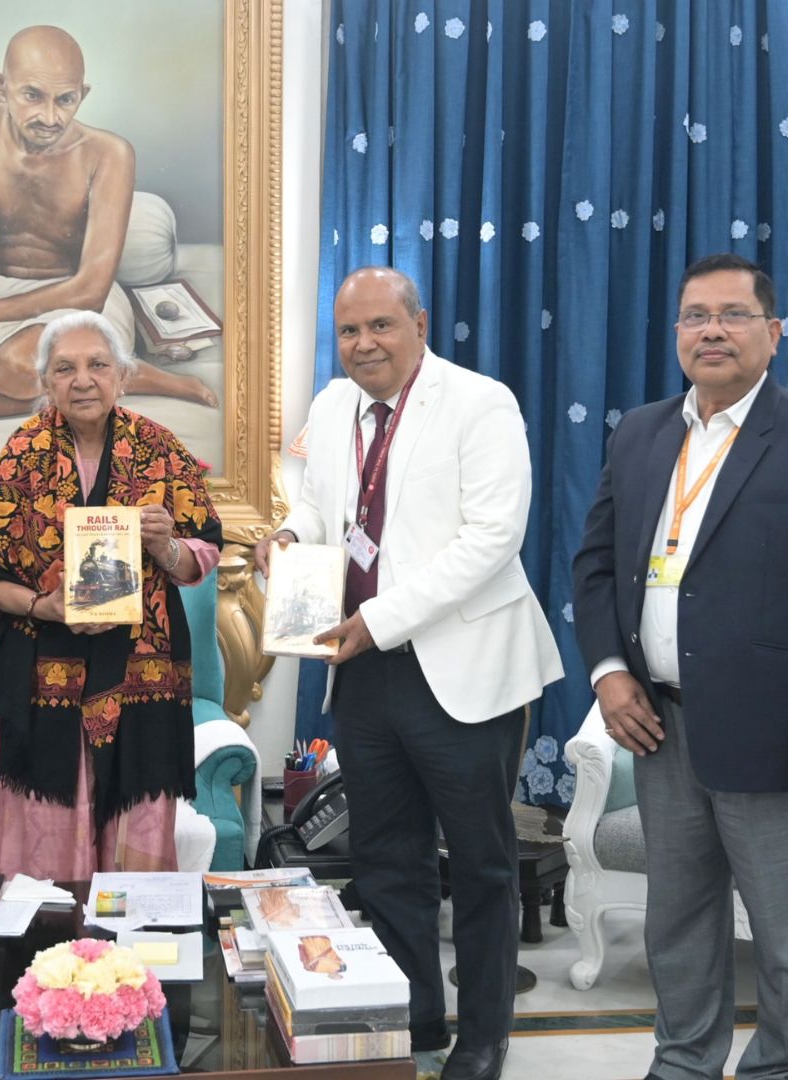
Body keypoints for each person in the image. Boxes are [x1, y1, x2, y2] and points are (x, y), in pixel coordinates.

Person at [573, 253, 788, 1080]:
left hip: (782, 741)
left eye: (733, 314)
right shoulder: (642, 432)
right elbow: (598, 565)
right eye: (694, 315)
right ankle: (682, 1060)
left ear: (773, 332)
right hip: (661, 726)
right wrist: (610, 672)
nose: (711, 329)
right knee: (676, 921)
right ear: (677, 332)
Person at [253, 266, 563, 1080]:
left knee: (481, 861)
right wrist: (289, 537)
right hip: (363, 675)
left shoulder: (480, 403)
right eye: (350, 331)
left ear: (420, 324)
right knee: (388, 858)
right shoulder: (329, 407)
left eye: (382, 326)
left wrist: (378, 620)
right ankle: (414, 1019)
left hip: (462, 669)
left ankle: (486, 1033)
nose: (364, 345)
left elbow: (492, 538)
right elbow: (323, 508)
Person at [0, 309, 223, 878]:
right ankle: (44, 962)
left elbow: (204, 554)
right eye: (65, 368)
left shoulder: (159, 449)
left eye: (98, 365)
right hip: (41, 677)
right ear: (45, 382)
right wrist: (38, 605)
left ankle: (130, 964)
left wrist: (167, 547)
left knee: (138, 838)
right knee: (44, 850)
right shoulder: (22, 453)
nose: (82, 380)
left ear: (123, 375)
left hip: (142, 677)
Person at [0, 24, 216, 418]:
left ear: (83, 94)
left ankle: (139, 375)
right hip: (1, 296)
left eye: (66, 99)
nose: (50, 117)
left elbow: (90, 290)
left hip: (76, 299)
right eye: (32, 95)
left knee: (12, 368)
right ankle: (109, 377)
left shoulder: (111, 153)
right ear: (0, 85)